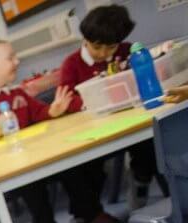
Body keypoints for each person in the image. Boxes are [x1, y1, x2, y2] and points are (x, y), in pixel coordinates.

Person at [0, 40, 124, 223]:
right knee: (33, 189)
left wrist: (53, 110)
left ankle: (89, 214)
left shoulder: (16, 93)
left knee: (71, 166)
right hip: (11, 168)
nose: (17, 61)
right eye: (10, 58)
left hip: (35, 155)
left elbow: (38, 112)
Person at [59, 4, 161, 209]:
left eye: (111, 47)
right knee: (87, 168)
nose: (103, 53)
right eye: (97, 47)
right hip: (95, 130)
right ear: (85, 40)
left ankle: (142, 182)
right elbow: (66, 99)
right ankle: (88, 215)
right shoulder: (72, 64)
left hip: (129, 122)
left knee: (152, 145)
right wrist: (91, 102)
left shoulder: (127, 51)